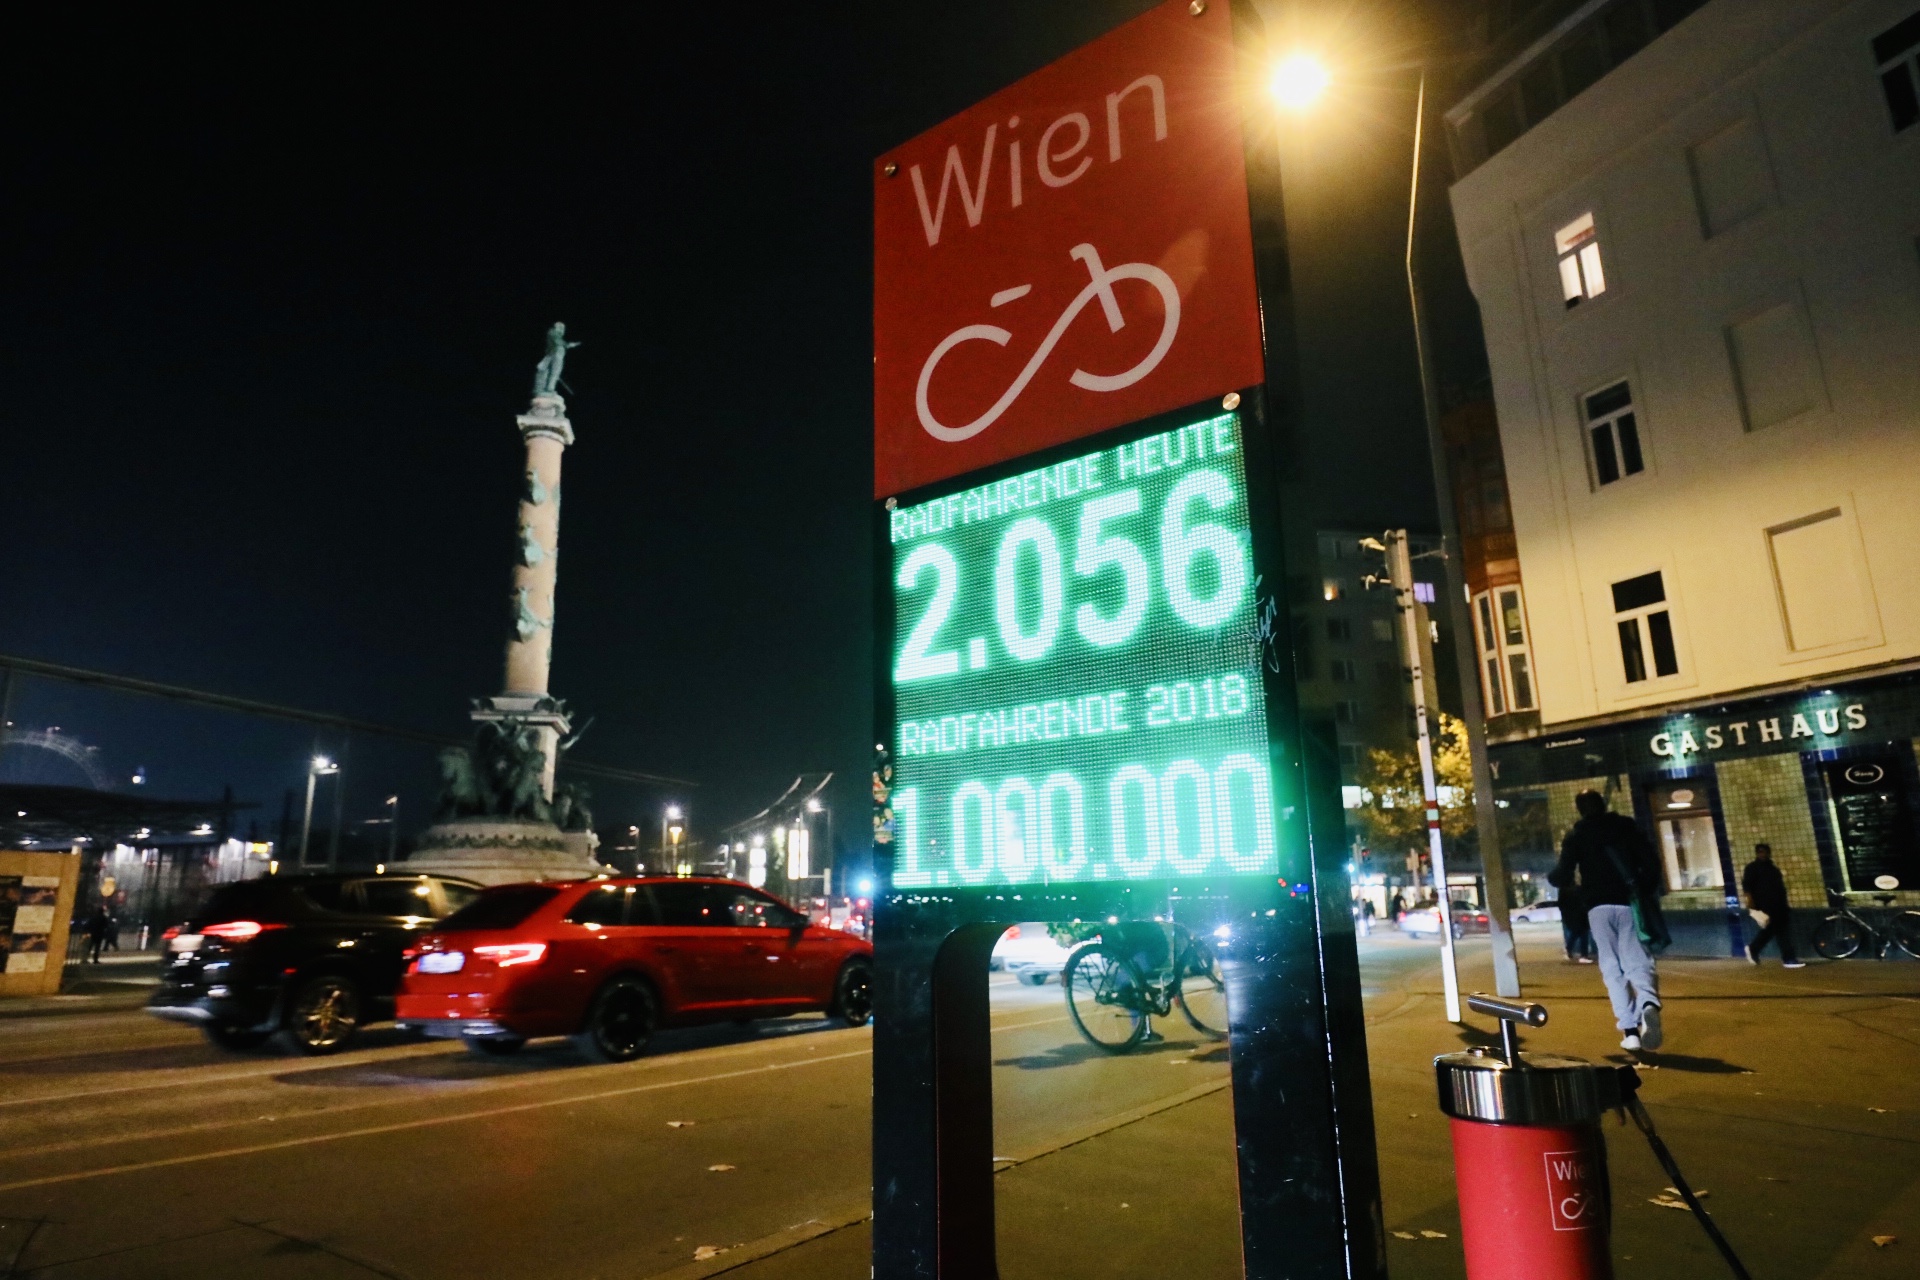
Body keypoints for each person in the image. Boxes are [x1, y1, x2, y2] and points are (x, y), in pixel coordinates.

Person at [1554, 790, 1665, 1051]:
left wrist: (1559, 880)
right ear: (1603, 805)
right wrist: (1642, 890)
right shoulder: (1626, 827)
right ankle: (1648, 1003)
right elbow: (1651, 862)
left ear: (1580, 809)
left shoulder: (1577, 835)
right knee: (1637, 958)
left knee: (1612, 967)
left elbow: (1563, 873)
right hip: (1628, 903)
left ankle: (1630, 1031)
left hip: (1598, 907)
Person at [1741, 843, 1803, 968]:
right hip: (1766, 904)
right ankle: (1788, 958)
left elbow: (1780, 888)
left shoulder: (1773, 869)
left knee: (1772, 930)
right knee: (1780, 931)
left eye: (1764, 852)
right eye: (1760, 852)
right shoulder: (1752, 868)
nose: (1762, 854)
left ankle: (1754, 948)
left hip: (1778, 904)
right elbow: (1747, 886)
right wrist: (1751, 903)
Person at [1553, 876, 1594, 964]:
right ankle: (1583, 954)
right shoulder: (1577, 890)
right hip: (1581, 914)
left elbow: (1561, 904)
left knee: (1577, 933)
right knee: (1582, 934)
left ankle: (1571, 950)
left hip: (1573, 915)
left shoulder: (1564, 890)